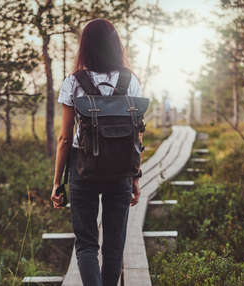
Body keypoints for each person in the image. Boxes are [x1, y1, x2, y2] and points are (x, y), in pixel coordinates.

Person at [51, 18, 142, 286]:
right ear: (115, 45)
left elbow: (65, 139)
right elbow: (136, 136)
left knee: (87, 244)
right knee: (114, 247)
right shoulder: (130, 81)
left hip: (83, 167)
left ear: (85, 46)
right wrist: (135, 176)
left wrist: (58, 182)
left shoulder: (74, 82)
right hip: (121, 168)